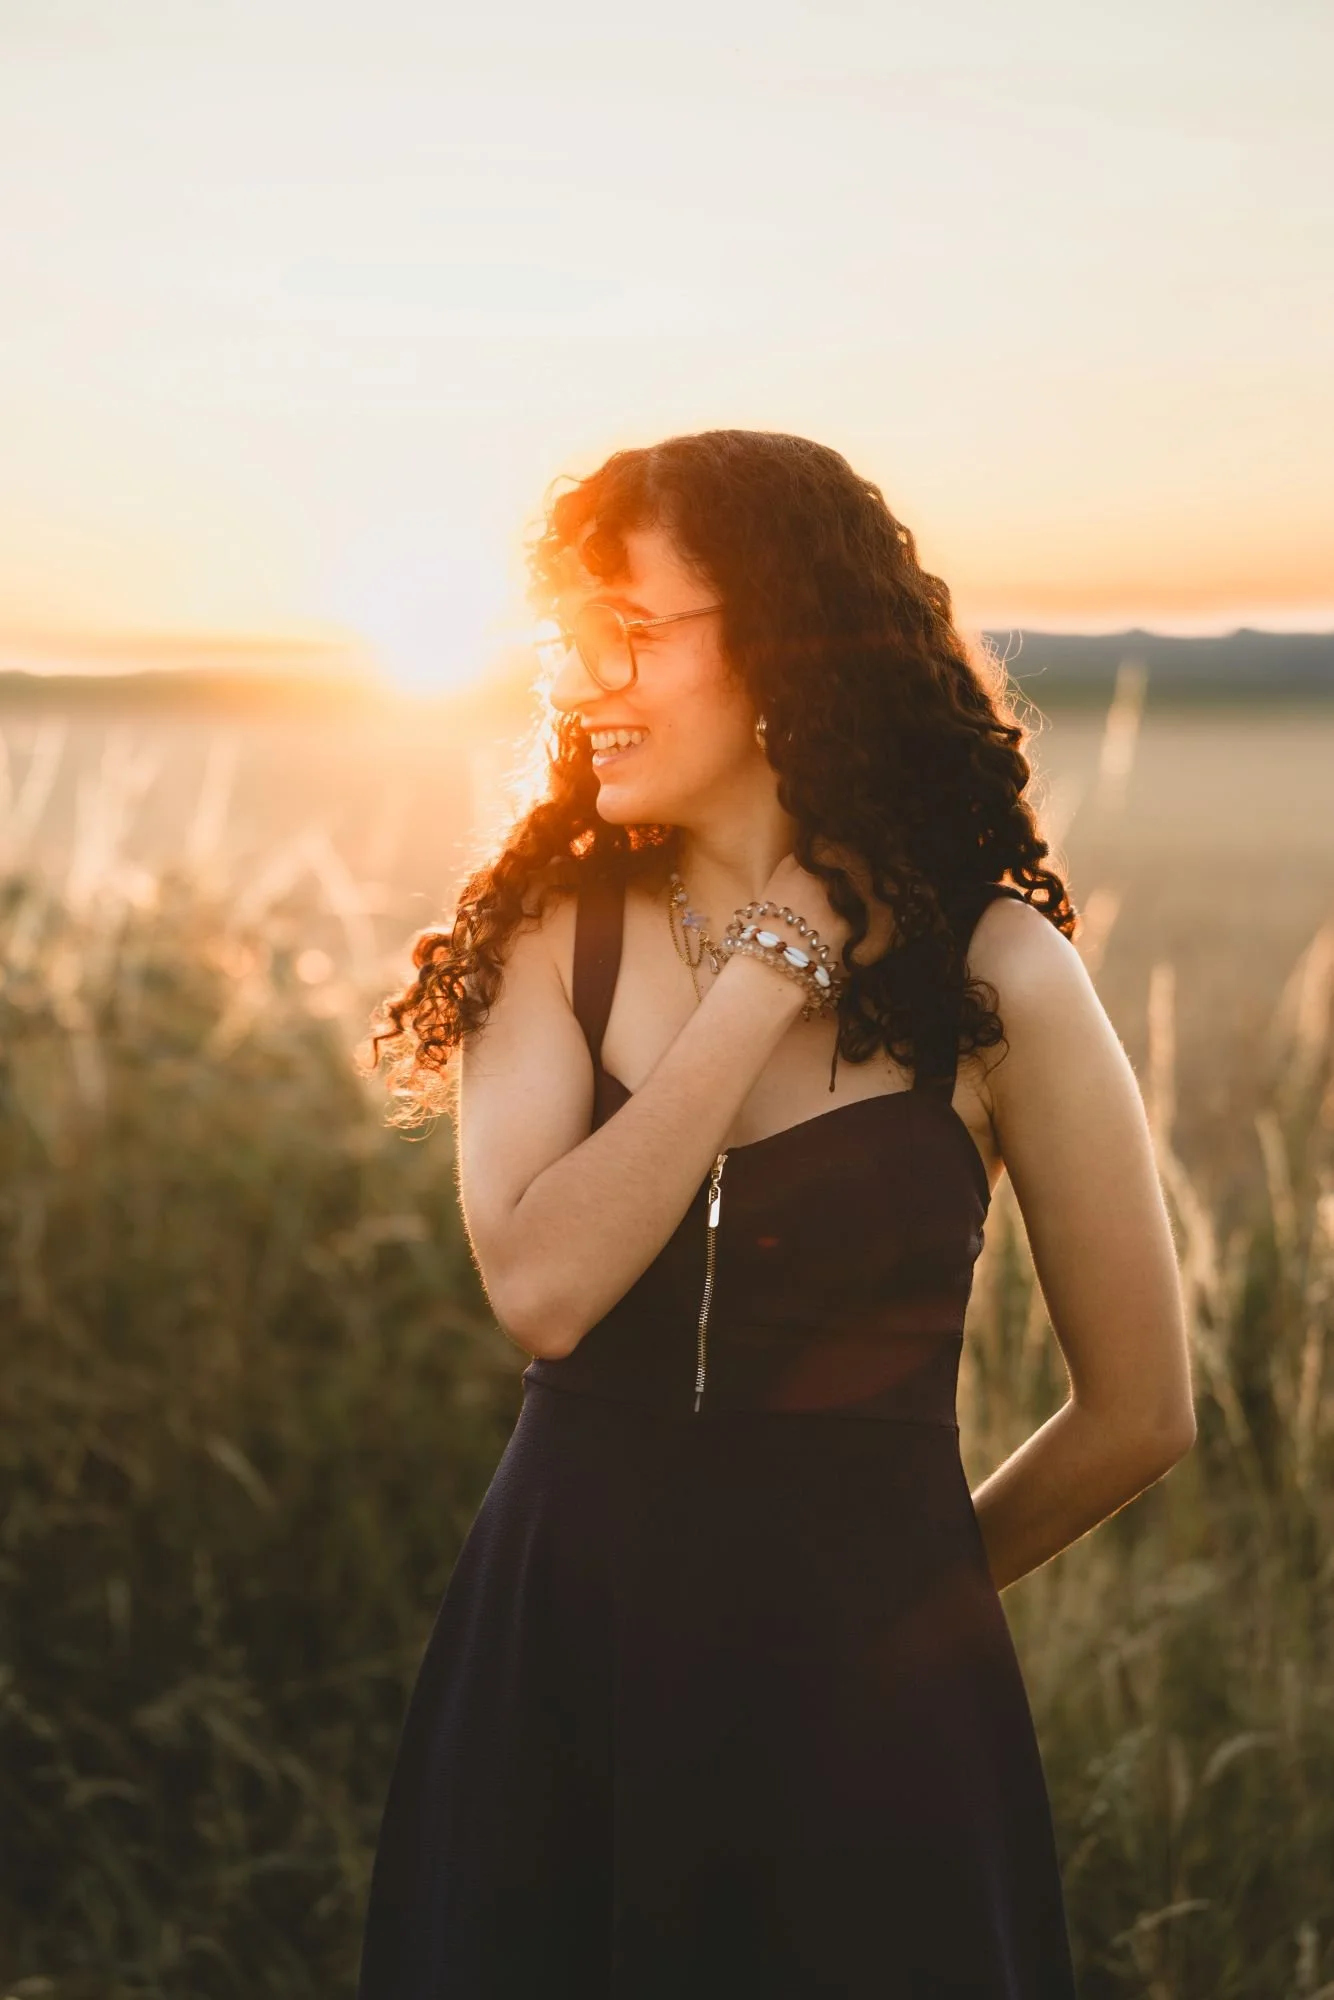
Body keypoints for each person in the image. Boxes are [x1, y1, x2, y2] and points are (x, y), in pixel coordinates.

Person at [356, 429, 1196, 1997]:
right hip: (559, 1666)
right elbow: (543, 1289)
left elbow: (1140, 1410)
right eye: (564, 636)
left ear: (783, 642)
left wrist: (896, 1604)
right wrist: (768, 968)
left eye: (631, 629)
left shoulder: (998, 976)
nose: (580, 680)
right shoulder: (546, 940)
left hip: (872, 1724)